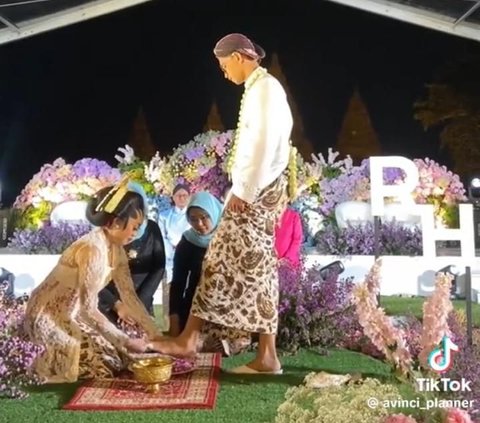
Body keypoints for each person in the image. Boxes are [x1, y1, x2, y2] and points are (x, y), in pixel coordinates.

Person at [149, 33, 293, 375]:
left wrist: (243, 190)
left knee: (223, 261)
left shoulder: (265, 89)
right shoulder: (258, 88)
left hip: (255, 192)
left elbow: (263, 143)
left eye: (224, 63)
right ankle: (260, 354)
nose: (223, 71)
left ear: (241, 56)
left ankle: (193, 339)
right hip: (256, 190)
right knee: (249, 266)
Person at [24, 177, 158, 383]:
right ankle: (34, 359)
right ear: (115, 223)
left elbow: (130, 297)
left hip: (75, 314)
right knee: (103, 366)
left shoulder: (115, 249)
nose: (136, 232)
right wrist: (126, 341)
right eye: (134, 226)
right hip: (51, 315)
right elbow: (89, 310)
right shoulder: (92, 249)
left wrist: (157, 338)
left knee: (120, 359)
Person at [168, 191, 251, 355]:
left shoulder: (229, 238)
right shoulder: (187, 242)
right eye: (193, 219)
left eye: (204, 217)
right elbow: (178, 284)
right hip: (195, 309)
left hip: (226, 308)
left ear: (214, 213)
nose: (199, 224)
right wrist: (174, 324)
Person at [98, 218, 165, 325]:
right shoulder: (103, 232)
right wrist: (117, 305)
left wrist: (138, 305)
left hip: (142, 302)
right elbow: (93, 277)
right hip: (110, 304)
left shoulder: (151, 228)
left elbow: (158, 267)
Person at [157, 184, 191, 282]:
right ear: (173, 197)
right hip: (171, 254)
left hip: (190, 252)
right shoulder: (164, 216)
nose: (181, 198)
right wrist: (172, 249)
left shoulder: (193, 214)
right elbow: (162, 236)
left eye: (184, 195)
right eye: (178, 195)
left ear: (189, 197)